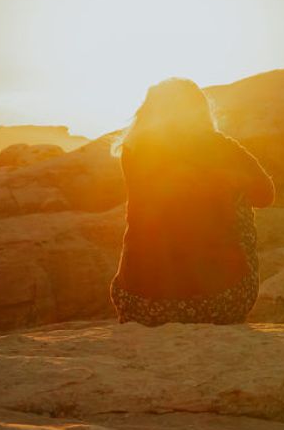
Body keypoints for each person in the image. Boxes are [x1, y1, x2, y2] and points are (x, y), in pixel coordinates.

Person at [110, 78, 275, 326]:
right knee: (239, 196)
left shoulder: (134, 150)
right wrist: (225, 184)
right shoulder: (218, 146)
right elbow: (265, 195)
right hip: (218, 301)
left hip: (138, 302)